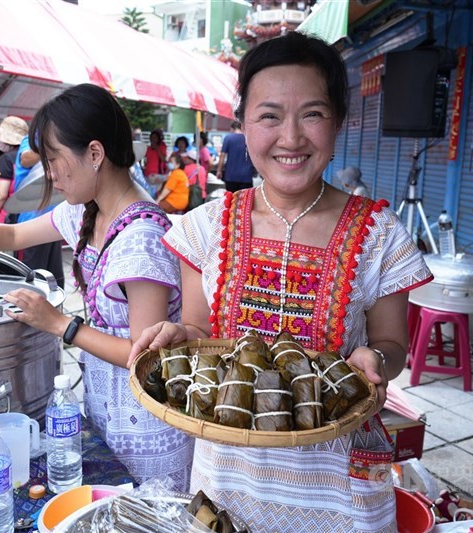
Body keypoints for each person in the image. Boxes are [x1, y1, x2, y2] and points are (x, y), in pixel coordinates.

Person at [129, 32, 432, 532]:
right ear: (243, 123)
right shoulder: (205, 227)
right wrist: (180, 338)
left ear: (338, 122)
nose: (290, 138)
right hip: (229, 479)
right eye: (269, 116)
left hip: (339, 489)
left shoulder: (381, 235)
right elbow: (201, 334)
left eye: (312, 114)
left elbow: (392, 345)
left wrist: (376, 360)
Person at [0, 83, 194, 491]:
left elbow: (145, 355)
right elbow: (12, 237)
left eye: (53, 159)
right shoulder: (88, 211)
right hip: (110, 419)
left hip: (148, 435)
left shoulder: (142, 241)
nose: (49, 173)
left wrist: (60, 324)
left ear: (95, 154)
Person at [11, 135, 65, 284]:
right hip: (31, 224)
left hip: (53, 222)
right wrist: (54, 147)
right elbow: (26, 158)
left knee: (54, 280)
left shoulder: (58, 138)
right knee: (30, 280)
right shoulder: (31, 139)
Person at [0, 116, 29, 222]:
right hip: (29, 214)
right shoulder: (30, 156)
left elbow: (1, 195)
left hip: (10, 217)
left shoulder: (6, 159)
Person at [215, 120, 255, 192]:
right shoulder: (249, 138)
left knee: (232, 200)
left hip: (230, 176)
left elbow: (222, 156)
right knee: (245, 201)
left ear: (232, 128)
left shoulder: (228, 138)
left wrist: (219, 171)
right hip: (246, 177)